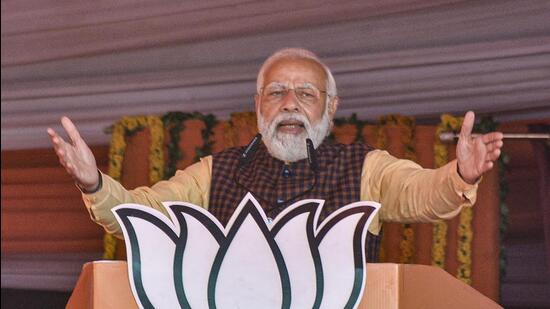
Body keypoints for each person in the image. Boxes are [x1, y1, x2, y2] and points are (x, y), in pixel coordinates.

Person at [48, 48, 504, 262]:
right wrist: (94, 183)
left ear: (330, 106)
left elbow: (422, 193)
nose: (290, 103)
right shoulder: (216, 171)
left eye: (306, 93)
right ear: (258, 104)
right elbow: (144, 214)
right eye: (277, 92)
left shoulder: (366, 168)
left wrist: (460, 172)